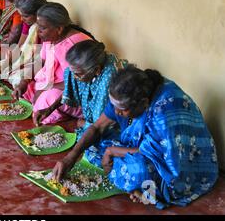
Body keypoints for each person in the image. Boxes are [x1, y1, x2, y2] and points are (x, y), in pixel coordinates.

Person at [52, 65, 219, 209]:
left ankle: (144, 189)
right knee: (90, 139)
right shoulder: (124, 95)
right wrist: (70, 158)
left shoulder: (165, 110)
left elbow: (157, 154)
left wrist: (112, 151)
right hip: (144, 146)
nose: (116, 113)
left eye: (122, 110)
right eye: (114, 107)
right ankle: (133, 184)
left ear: (144, 103)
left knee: (141, 171)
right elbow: (97, 127)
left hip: (179, 161)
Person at [12, 2, 94, 125]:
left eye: (42, 28)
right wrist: (24, 81)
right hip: (51, 84)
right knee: (22, 83)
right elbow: (41, 61)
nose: (38, 32)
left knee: (47, 99)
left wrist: (46, 88)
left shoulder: (72, 46)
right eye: (38, 26)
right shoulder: (52, 36)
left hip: (75, 94)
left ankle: (58, 116)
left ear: (59, 29)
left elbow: (76, 83)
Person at [34, 40, 128, 139]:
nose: (74, 77)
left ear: (96, 70)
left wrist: (84, 124)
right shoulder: (84, 68)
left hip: (116, 125)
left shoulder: (108, 78)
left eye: (78, 75)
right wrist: (49, 109)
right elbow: (69, 88)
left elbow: (100, 123)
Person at [0, 0, 47, 88]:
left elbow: (42, 60)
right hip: (28, 59)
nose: (22, 19)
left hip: (40, 64)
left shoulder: (45, 28)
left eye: (26, 16)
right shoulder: (28, 24)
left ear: (38, 14)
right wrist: (1, 68)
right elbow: (20, 48)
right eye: (21, 15)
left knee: (20, 79)